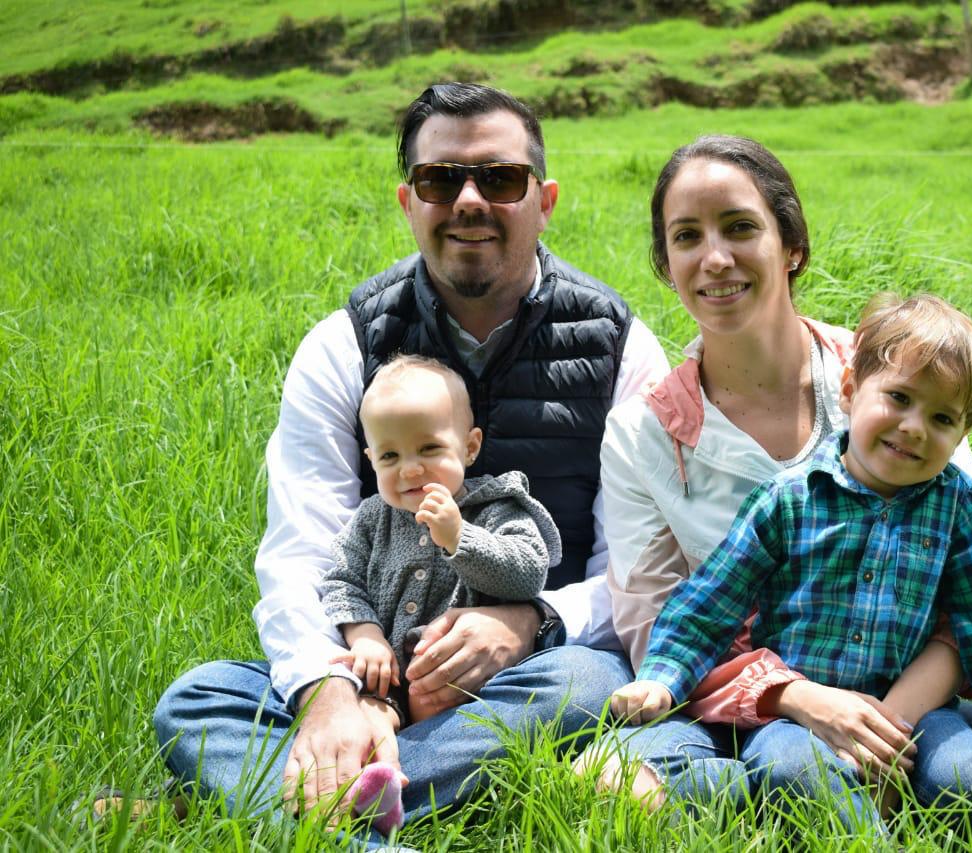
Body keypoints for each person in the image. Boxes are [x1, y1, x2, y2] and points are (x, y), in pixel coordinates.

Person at [149, 82, 670, 837]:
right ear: (408, 200)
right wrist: (331, 694)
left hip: (532, 671)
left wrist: (531, 620)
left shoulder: (622, 347)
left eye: (499, 178)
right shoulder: (342, 345)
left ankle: (302, 801)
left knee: (591, 681)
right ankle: (406, 792)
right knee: (196, 697)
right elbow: (302, 548)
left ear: (545, 199)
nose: (468, 200)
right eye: (439, 179)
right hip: (375, 667)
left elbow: (633, 569)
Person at [593, 136, 972, 837]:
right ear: (666, 263)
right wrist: (801, 700)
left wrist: (896, 724)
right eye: (687, 236)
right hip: (756, 710)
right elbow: (670, 619)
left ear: (790, 244)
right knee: (620, 783)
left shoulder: (904, 374)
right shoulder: (645, 434)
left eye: (740, 227)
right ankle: (813, 796)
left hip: (914, 699)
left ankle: (946, 787)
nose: (715, 258)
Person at [612, 291, 972, 839]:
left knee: (959, 773)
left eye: (941, 418)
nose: (914, 426)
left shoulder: (956, 506)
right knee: (790, 769)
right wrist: (662, 679)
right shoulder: (788, 500)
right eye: (899, 398)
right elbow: (707, 605)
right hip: (797, 713)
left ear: (962, 434)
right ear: (848, 391)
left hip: (914, 713)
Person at [319, 354, 557, 725]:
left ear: (470, 447)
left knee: (571, 681)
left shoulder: (495, 506)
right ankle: (377, 771)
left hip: (472, 684)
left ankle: (404, 766)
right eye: (390, 455)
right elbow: (342, 580)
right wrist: (364, 635)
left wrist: (460, 537)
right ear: (371, 459)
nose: (410, 468)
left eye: (429, 448)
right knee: (368, 708)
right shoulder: (373, 517)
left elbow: (528, 574)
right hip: (388, 679)